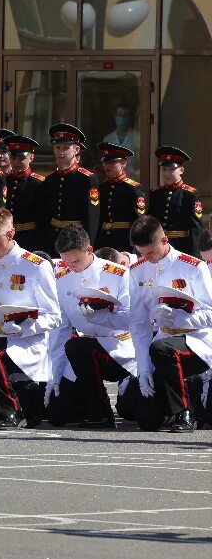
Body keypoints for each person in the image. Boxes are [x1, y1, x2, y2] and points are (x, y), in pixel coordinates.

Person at [0, 208, 62, 429]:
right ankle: (11, 402)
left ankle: (14, 408)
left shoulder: (36, 266)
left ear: (10, 234)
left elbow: (53, 317)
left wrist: (23, 328)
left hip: (24, 343)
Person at [127, 215, 212, 433]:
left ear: (164, 240)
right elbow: (139, 323)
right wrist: (143, 367)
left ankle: (185, 411)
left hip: (197, 340)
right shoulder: (137, 271)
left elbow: (210, 314)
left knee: (162, 349)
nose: (147, 259)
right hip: (163, 341)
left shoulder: (193, 267)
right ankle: (185, 392)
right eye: (141, 253)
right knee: (146, 419)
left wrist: (180, 318)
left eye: (150, 253)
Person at [46, 225, 135, 429]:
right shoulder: (61, 279)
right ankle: (89, 407)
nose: (71, 266)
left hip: (119, 349)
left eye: (76, 261)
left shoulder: (118, 274)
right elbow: (60, 330)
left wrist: (101, 318)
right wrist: (55, 375)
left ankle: (102, 411)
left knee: (137, 411)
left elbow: (132, 319)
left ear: (89, 250)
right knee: (56, 415)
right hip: (84, 355)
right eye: (66, 262)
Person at [39, 124, 100, 257]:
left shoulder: (87, 179)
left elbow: (92, 217)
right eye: (58, 147)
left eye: (66, 148)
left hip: (76, 239)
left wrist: (88, 246)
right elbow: (46, 213)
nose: (61, 152)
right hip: (53, 238)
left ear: (76, 149)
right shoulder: (50, 180)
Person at [148, 147, 203, 255]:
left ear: (181, 170)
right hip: (159, 247)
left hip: (181, 248)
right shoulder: (156, 193)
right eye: (164, 169)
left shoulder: (190, 194)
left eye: (171, 169)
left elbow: (195, 228)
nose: (167, 173)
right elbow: (150, 221)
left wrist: (195, 255)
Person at [94, 143, 146, 253]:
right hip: (103, 241)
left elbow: (138, 220)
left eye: (112, 162)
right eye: (105, 162)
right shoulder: (102, 187)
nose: (107, 165)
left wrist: (136, 246)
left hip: (125, 242)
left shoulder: (133, 188)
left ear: (124, 163)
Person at [3, 135, 47, 254]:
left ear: (31, 157)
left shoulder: (39, 183)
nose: (16, 162)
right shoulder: (3, 180)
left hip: (29, 239)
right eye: (13, 157)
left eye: (21, 158)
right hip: (5, 238)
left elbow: (43, 218)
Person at [100, 103, 140, 177]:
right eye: (119, 115)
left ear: (129, 117)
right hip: (113, 180)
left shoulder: (137, 137)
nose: (122, 118)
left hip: (133, 180)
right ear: (115, 117)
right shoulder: (108, 139)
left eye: (125, 116)